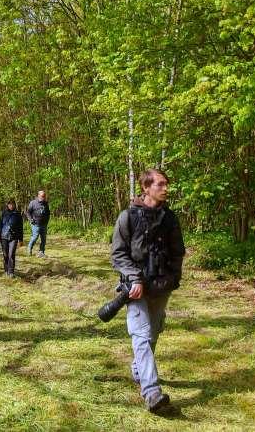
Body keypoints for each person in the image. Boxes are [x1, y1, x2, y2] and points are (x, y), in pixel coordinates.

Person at [110, 169, 185, 413]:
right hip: (136, 288)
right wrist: (134, 279)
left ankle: (138, 370)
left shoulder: (170, 218)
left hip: (162, 286)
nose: (166, 188)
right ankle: (152, 392)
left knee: (153, 333)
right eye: (161, 184)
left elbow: (177, 252)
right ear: (146, 187)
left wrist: (173, 278)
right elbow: (118, 254)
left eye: (166, 184)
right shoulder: (127, 217)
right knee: (141, 334)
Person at [0, 199, 23, 278]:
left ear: (14, 205)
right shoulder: (3, 213)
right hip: (3, 236)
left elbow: (20, 228)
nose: (11, 206)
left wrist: (21, 240)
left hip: (14, 237)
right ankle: (6, 270)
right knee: (5, 254)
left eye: (12, 204)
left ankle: (11, 271)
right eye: (9, 204)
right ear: (7, 205)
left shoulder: (18, 214)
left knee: (11, 254)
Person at [26, 190, 50, 258]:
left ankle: (41, 252)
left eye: (44, 196)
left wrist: (47, 221)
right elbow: (28, 212)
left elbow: (48, 213)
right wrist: (31, 220)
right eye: (42, 196)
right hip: (35, 224)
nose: (44, 197)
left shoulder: (46, 203)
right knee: (35, 237)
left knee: (44, 239)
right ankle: (29, 248)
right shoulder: (33, 203)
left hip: (44, 224)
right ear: (38, 195)